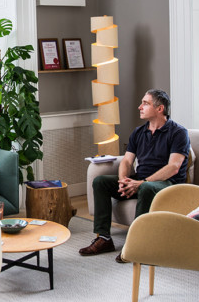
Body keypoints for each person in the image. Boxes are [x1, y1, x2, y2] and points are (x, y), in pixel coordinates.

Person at [79, 89, 189, 263]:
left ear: (160, 109)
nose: (140, 107)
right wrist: (124, 181)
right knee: (100, 182)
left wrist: (140, 183)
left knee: (146, 187)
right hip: (141, 181)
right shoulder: (139, 132)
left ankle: (137, 245)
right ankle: (104, 238)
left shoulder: (178, 133)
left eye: (145, 103)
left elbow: (173, 167)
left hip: (167, 184)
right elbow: (127, 162)